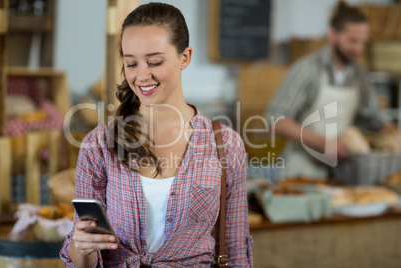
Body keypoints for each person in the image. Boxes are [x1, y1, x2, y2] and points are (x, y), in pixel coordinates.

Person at [60, 2, 253, 267]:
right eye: (131, 63)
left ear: (185, 57)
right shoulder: (98, 144)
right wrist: (81, 246)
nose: (142, 75)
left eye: (155, 62)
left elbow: (236, 249)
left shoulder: (225, 144)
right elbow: (81, 258)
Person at [266, 1, 393, 179]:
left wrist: (392, 133)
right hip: (302, 172)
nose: (358, 49)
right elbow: (275, 120)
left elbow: (375, 120)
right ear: (332, 34)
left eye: (362, 42)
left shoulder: (360, 75)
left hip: (343, 174)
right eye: (352, 41)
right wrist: (321, 143)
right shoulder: (307, 69)